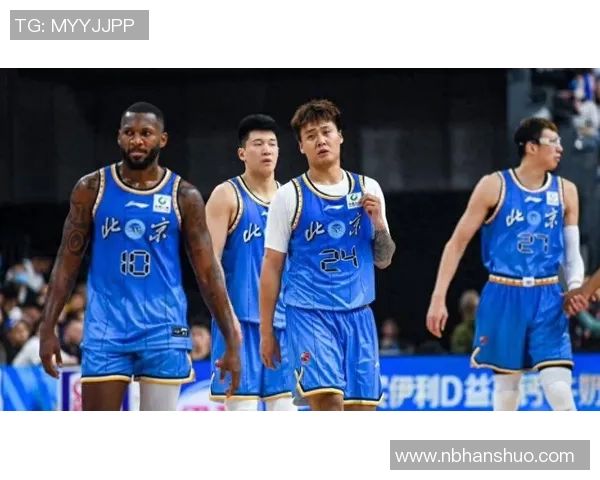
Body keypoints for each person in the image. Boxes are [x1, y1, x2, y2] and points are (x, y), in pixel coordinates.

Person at [38, 101, 242, 411]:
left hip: (163, 329)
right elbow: (66, 263)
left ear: (162, 139)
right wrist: (47, 326)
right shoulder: (91, 188)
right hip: (106, 329)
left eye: (146, 133)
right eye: (129, 133)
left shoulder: (184, 195)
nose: (137, 140)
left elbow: (207, 271)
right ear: (119, 137)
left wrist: (231, 338)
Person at [426, 117, 584, 411]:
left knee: (559, 390)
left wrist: (575, 286)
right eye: (553, 142)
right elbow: (456, 244)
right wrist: (438, 297)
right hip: (504, 292)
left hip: (548, 294)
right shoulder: (494, 186)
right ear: (531, 147)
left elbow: (572, 254)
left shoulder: (566, 191)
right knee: (507, 390)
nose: (560, 148)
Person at [259, 99, 396, 411]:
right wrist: (267, 331)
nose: (320, 140)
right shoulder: (289, 196)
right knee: (328, 404)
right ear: (301, 146)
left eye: (326, 132)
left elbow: (384, 259)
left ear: (340, 136)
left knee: (361, 410)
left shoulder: (368, 188)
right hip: (310, 314)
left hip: (359, 314)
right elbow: (271, 267)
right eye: (310, 136)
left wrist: (378, 223)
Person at [205, 114, 296, 411]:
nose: (266, 149)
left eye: (272, 143)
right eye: (258, 143)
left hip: (284, 325)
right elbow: (208, 265)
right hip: (239, 323)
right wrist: (226, 319)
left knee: (287, 414)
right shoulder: (226, 195)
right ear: (242, 153)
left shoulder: (292, 199)